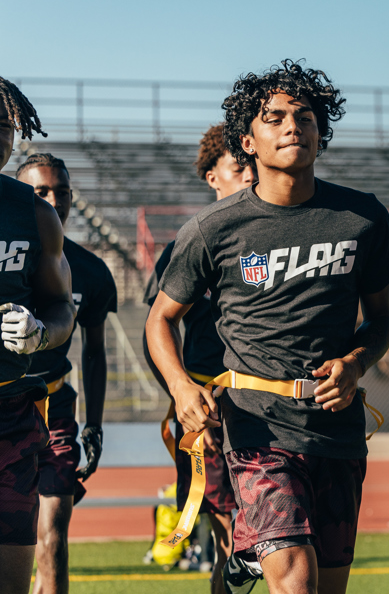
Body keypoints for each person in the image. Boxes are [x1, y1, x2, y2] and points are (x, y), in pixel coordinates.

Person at [146, 60, 389, 594]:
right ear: (248, 139)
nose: (293, 127)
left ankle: (242, 559)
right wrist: (180, 385)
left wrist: (356, 363)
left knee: (329, 585)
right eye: (275, 117)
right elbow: (159, 320)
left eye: (305, 116)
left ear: (320, 131)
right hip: (256, 427)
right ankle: (251, 549)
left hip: (337, 428)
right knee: (295, 580)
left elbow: (380, 319)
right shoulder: (212, 229)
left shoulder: (363, 218)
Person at [142, 124, 254, 593]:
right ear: (213, 177)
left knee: (279, 537)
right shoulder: (190, 244)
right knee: (234, 543)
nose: (250, 175)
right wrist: (184, 395)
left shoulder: (282, 236)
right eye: (238, 167)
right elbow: (157, 326)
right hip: (210, 407)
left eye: (253, 165)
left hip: (269, 400)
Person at [16, 153, 117, 594]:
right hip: (6, 401)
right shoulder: (7, 259)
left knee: (53, 532)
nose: (54, 201)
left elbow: (95, 353)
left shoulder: (90, 270)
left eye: (62, 192)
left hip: (55, 406)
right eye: (40, 192)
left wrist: (93, 425)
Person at [0, 77, 76, 594]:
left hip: (9, 416)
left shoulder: (33, 211)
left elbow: (60, 309)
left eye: (4, 125)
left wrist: (40, 332)